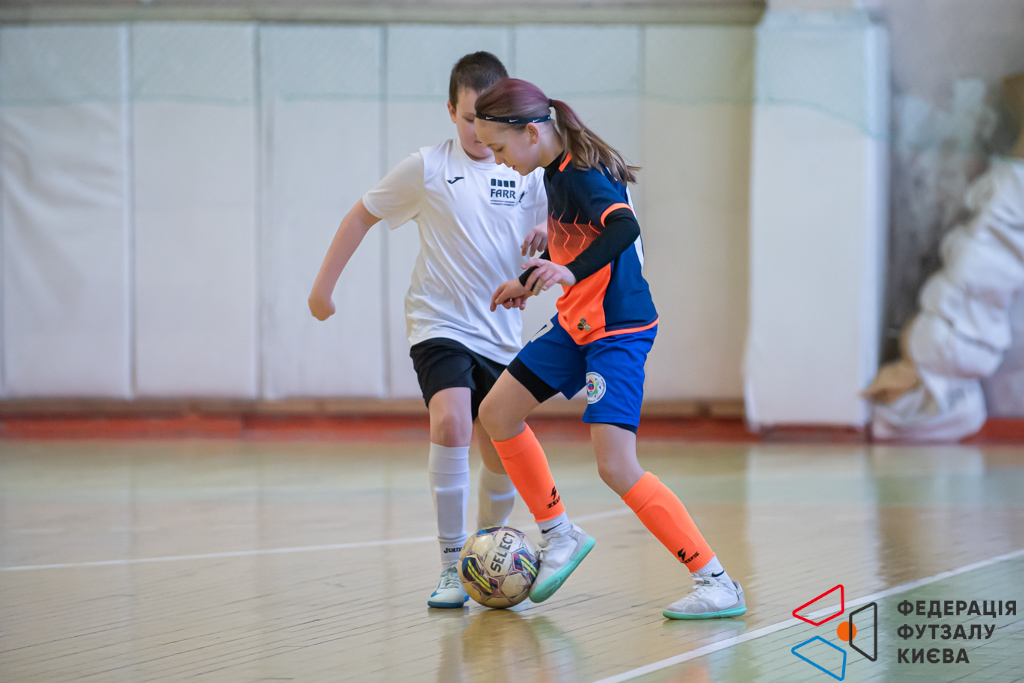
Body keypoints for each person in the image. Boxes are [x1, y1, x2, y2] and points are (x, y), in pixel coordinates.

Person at [473, 78, 746, 619]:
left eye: (499, 148)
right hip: (577, 322)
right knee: (497, 412)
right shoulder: (555, 170)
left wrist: (568, 270)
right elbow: (580, 240)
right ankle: (560, 533)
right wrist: (530, 279)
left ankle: (716, 582)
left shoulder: (582, 174)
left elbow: (623, 228)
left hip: (617, 331)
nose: (499, 160)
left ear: (531, 132)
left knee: (617, 465)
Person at [308, 54, 548, 608]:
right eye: (469, 119)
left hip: (501, 333)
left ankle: (487, 555)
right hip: (439, 324)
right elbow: (361, 214)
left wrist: (548, 229)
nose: (480, 132)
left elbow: (561, 230)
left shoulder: (527, 170)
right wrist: (324, 288)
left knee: (500, 453)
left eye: (490, 119)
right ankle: (450, 566)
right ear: (450, 111)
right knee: (451, 420)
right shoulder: (428, 167)